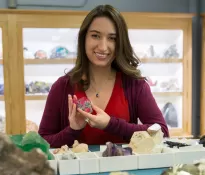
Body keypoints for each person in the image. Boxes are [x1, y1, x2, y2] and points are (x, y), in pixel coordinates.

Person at [38, 4, 169, 148]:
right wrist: (73, 130)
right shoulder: (62, 87)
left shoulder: (135, 85)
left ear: (120, 43)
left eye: (112, 38)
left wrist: (110, 124)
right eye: (95, 36)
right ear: (84, 38)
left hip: (125, 171)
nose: (103, 46)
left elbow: (162, 132)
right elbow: (42, 142)